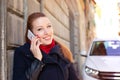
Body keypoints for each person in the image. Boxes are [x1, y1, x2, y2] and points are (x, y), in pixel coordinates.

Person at [13, 12, 80, 80]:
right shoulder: (23, 53)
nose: (47, 32)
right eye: (40, 29)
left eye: (49, 26)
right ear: (31, 34)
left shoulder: (62, 51)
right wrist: (37, 61)